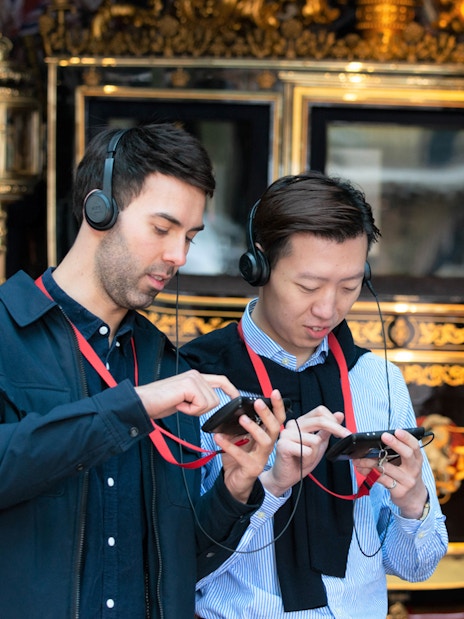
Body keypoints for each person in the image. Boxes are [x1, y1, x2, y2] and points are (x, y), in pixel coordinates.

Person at [0, 123, 286, 619]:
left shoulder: (164, 362)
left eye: (190, 237)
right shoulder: (6, 329)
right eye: (162, 229)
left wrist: (237, 486)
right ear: (99, 210)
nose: (178, 256)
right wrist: (133, 406)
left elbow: (181, 564)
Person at [181, 171, 449, 619]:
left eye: (348, 287)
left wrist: (411, 502)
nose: (328, 309)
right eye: (308, 287)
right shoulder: (198, 381)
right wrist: (270, 485)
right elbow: (178, 568)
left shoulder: (376, 379)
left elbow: (416, 568)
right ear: (259, 266)